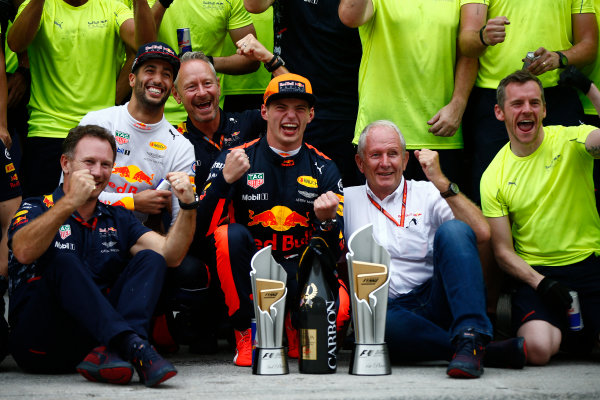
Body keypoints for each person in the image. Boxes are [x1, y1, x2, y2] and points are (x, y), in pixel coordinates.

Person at [7, 124, 197, 386]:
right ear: (66, 163)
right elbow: (23, 251)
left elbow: (170, 255)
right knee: (63, 260)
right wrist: (70, 202)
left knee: (151, 258)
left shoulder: (116, 216)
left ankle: (123, 347)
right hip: (40, 345)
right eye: (89, 162)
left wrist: (188, 206)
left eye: (106, 164)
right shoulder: (36, 205)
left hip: (97, 348)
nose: (97, 172)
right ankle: (134, 346)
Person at [344, 120, 527, 378]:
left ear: (405, 160)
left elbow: (481, 233)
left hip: (435, 299)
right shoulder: (346, 200)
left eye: (393, 154)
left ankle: (470, 332)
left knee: (454, 230)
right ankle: (474, 348)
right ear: (360, 163)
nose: (385, 162)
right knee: (375, 323)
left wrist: (441, 181)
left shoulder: (428, 192)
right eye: (375, 155)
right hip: (390, 313)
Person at [196, 73, 345, 367]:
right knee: (227, 236)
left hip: (299, 276)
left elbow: (335, 250)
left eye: (300, 108)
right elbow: (201, 231)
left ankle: (292, 323)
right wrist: (224, 181)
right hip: (251, 275)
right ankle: (246, 333)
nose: (290, 116)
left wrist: (327, 224)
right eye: (281, 107)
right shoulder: (234, 157)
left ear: (311, 115)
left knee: (341, 314)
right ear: (264, 112)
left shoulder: (324, 167)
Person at [481, 70, 600, 365]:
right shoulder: (493, 176)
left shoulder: (573, 140)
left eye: (534, 103)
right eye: (517, 103)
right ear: (500, 112)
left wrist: (588, 87)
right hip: (539, 277)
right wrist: (540, 283)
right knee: (536, 349)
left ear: (545, 109)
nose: (527, 110)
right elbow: (503, 252)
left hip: (590, 268)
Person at [7, 0, 156, 197]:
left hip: (98, 133)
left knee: (98, 220)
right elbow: (15, 43)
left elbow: (146, 47)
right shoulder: (39, 5)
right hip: (48, 131)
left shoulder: (112, 6)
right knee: (43, 218)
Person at [460, 0, 598, 203]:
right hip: (497, 98)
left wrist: (559, 57)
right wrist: (483, 36)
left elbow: (589, 45)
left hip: (556, 95)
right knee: (494, 192)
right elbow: (466, 43)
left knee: (567, 190)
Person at [338, 0, 485, 185]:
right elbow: (349, 16)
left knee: (444, 215)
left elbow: (470, 52)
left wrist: (458, 104)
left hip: (440, 135)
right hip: (381, 137)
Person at [244, 0, 363, 187]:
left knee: (339, 197)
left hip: (343, 110)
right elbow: (253, 5)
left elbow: (351, 14)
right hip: (293, 107)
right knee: (287, 196)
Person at [79, 41, 195, 226]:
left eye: (166, 74)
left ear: (172, 89)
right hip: (84, 229)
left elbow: (179, 218)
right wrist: (132, 201)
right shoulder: (97, 122)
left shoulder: (181, 147)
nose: (158, 79)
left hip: (137, 241)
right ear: (132, 79)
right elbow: (70, 192)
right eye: (150, 70)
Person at [149, 0, 259, 125]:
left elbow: (252, 58)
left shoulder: (230, 1)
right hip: (153, 112)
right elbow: (138, 46)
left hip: (206, 113)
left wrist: (205, 62)